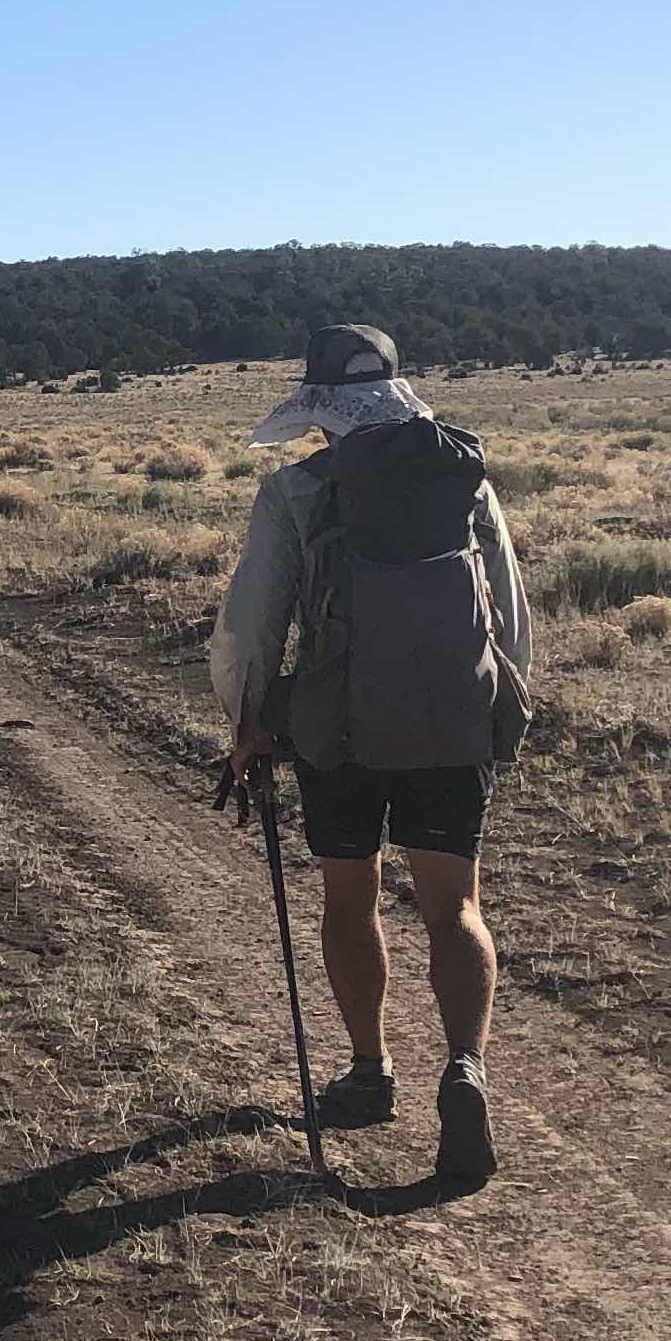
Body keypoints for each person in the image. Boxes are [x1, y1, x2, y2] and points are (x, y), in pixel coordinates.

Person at [209, 324, 531, 1185]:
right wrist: (498, 705)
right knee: (454, 907)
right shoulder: (463, 475)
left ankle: (369, 1072)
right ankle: (465, 1066)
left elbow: (253, 621)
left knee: (351, 899)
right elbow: (506, 607)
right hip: (451, 724)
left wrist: (247, 722)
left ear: (321, 408)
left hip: (339, 731)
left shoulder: (298, 489)